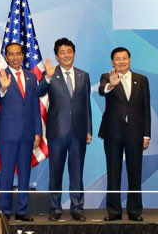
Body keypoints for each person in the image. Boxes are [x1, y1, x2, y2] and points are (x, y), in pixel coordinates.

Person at [36, 38, 91, 221]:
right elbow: (38, 92)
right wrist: (48, 77)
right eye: (62, 52)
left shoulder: (84, 75)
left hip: (78, 132)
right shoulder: (51, 73)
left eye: (69, 51)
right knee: (56, 172)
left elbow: (86, 104)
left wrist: (88, 129)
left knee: (77, 173)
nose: (66, 55)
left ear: (74, 54)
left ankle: (77, 208)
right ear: (57, 56)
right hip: (57, 132)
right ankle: (55, 209)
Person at [0, 42, 42, 221]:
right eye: (11, 54)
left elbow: (35, 105)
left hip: (28, 134)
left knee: (25, 173)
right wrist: (3, 88)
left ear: (23, 55)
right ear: (6, 56)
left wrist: (38, 131)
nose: (15, 57)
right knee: (6, 173)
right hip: (8, 133)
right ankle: (4, 210)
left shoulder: (31, 77)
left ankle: (22, 211)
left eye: (18, 54)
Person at [99, 47, 150, 222]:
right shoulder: (107, 76)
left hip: (135, 134)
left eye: (124, 58)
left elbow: (145, 109)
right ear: (113, 62)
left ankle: (135, 211)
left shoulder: (141, 80)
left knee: (135, 173)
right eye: (117, 59)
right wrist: (111, 84)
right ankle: (114, 212)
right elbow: (102, 90)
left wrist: (146, 135)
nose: (121, 61)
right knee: (113, 173)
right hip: (113, 133)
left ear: (129, 59)